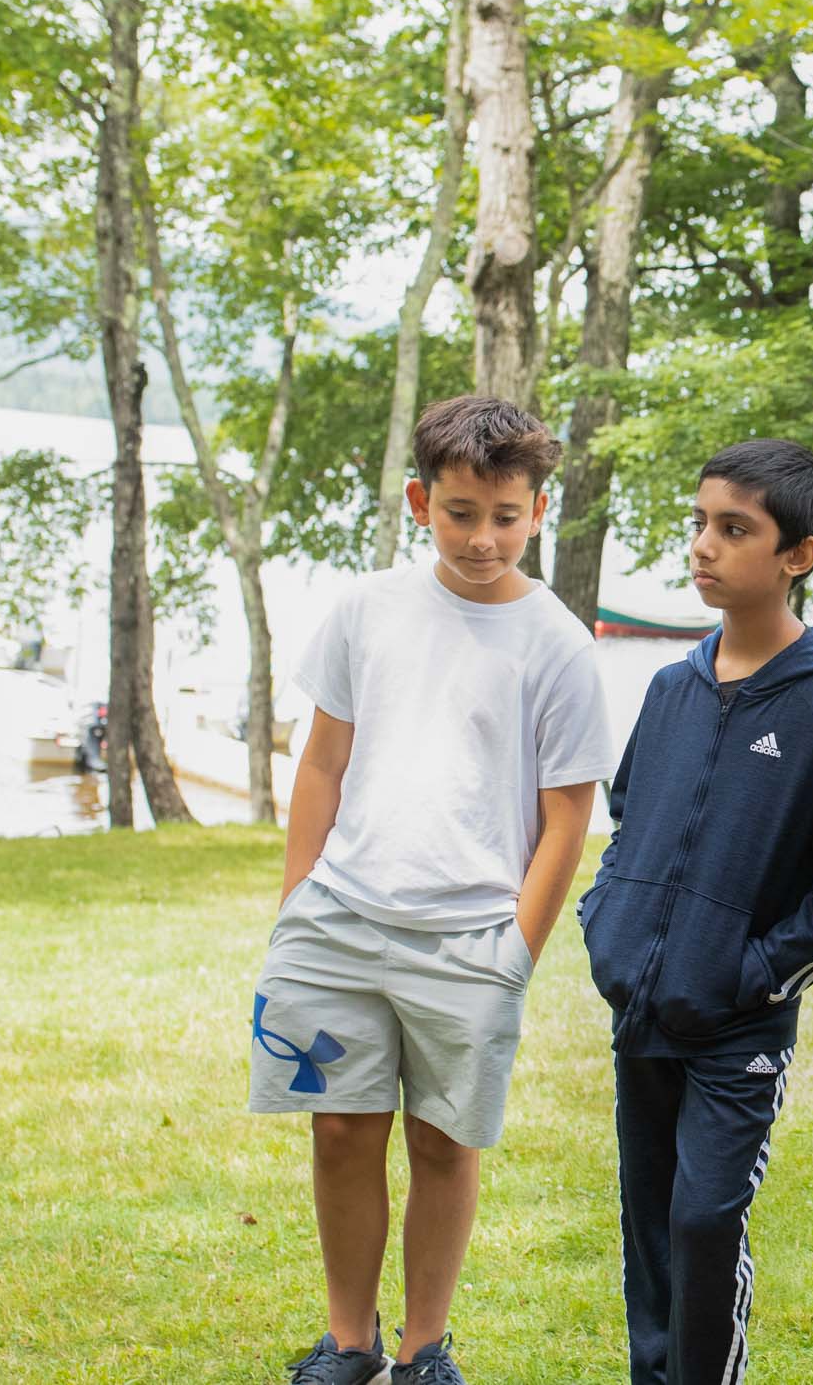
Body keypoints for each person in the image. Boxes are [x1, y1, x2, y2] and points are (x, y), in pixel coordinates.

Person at [251, 395, 615, 1385]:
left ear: (538, 510)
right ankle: (350, 1341)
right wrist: (296, 904)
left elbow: (566, 817)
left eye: (504, 515)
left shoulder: (556, 643)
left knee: (446, 1144)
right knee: (339, 1130)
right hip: (340, 920)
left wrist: (517, 952)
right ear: (420, 501)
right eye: (460, 512)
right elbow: (322, 763)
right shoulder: (366, 609)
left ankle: (422, 1348)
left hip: (472, 939)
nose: (482, 537)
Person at [573, 439, 813, 1385]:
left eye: (734, 529)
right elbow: (628, 817)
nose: (704, 545)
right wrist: (606, 920)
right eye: (700, 522)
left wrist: (751, 974)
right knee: (649, 1222)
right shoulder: (671, 687)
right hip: (643, 1009)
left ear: (799, 555)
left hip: (737, 1025)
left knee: (704, 1222)